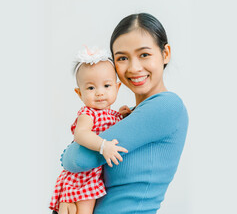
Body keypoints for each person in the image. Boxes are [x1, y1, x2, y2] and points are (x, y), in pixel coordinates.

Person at [60, 13, 189, 214]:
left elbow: (77, 159)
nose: (134, 67)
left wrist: (71, 152)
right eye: (122, 58)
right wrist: (69, 194)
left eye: (144, 54)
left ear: (165, 54)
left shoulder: (166, 106)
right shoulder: (127, 115)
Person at [49, 47, 128, 214]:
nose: (99, 93)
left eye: (106, 85)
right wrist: (103, 146)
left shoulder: (112, 114)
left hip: (95, 173)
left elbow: (110, 124)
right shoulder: (88, 113)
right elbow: (81, 133)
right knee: (85, 210)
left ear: (117, 87)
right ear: (79, 93)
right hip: (84, 176)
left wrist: (122, 115)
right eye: (91, 88)